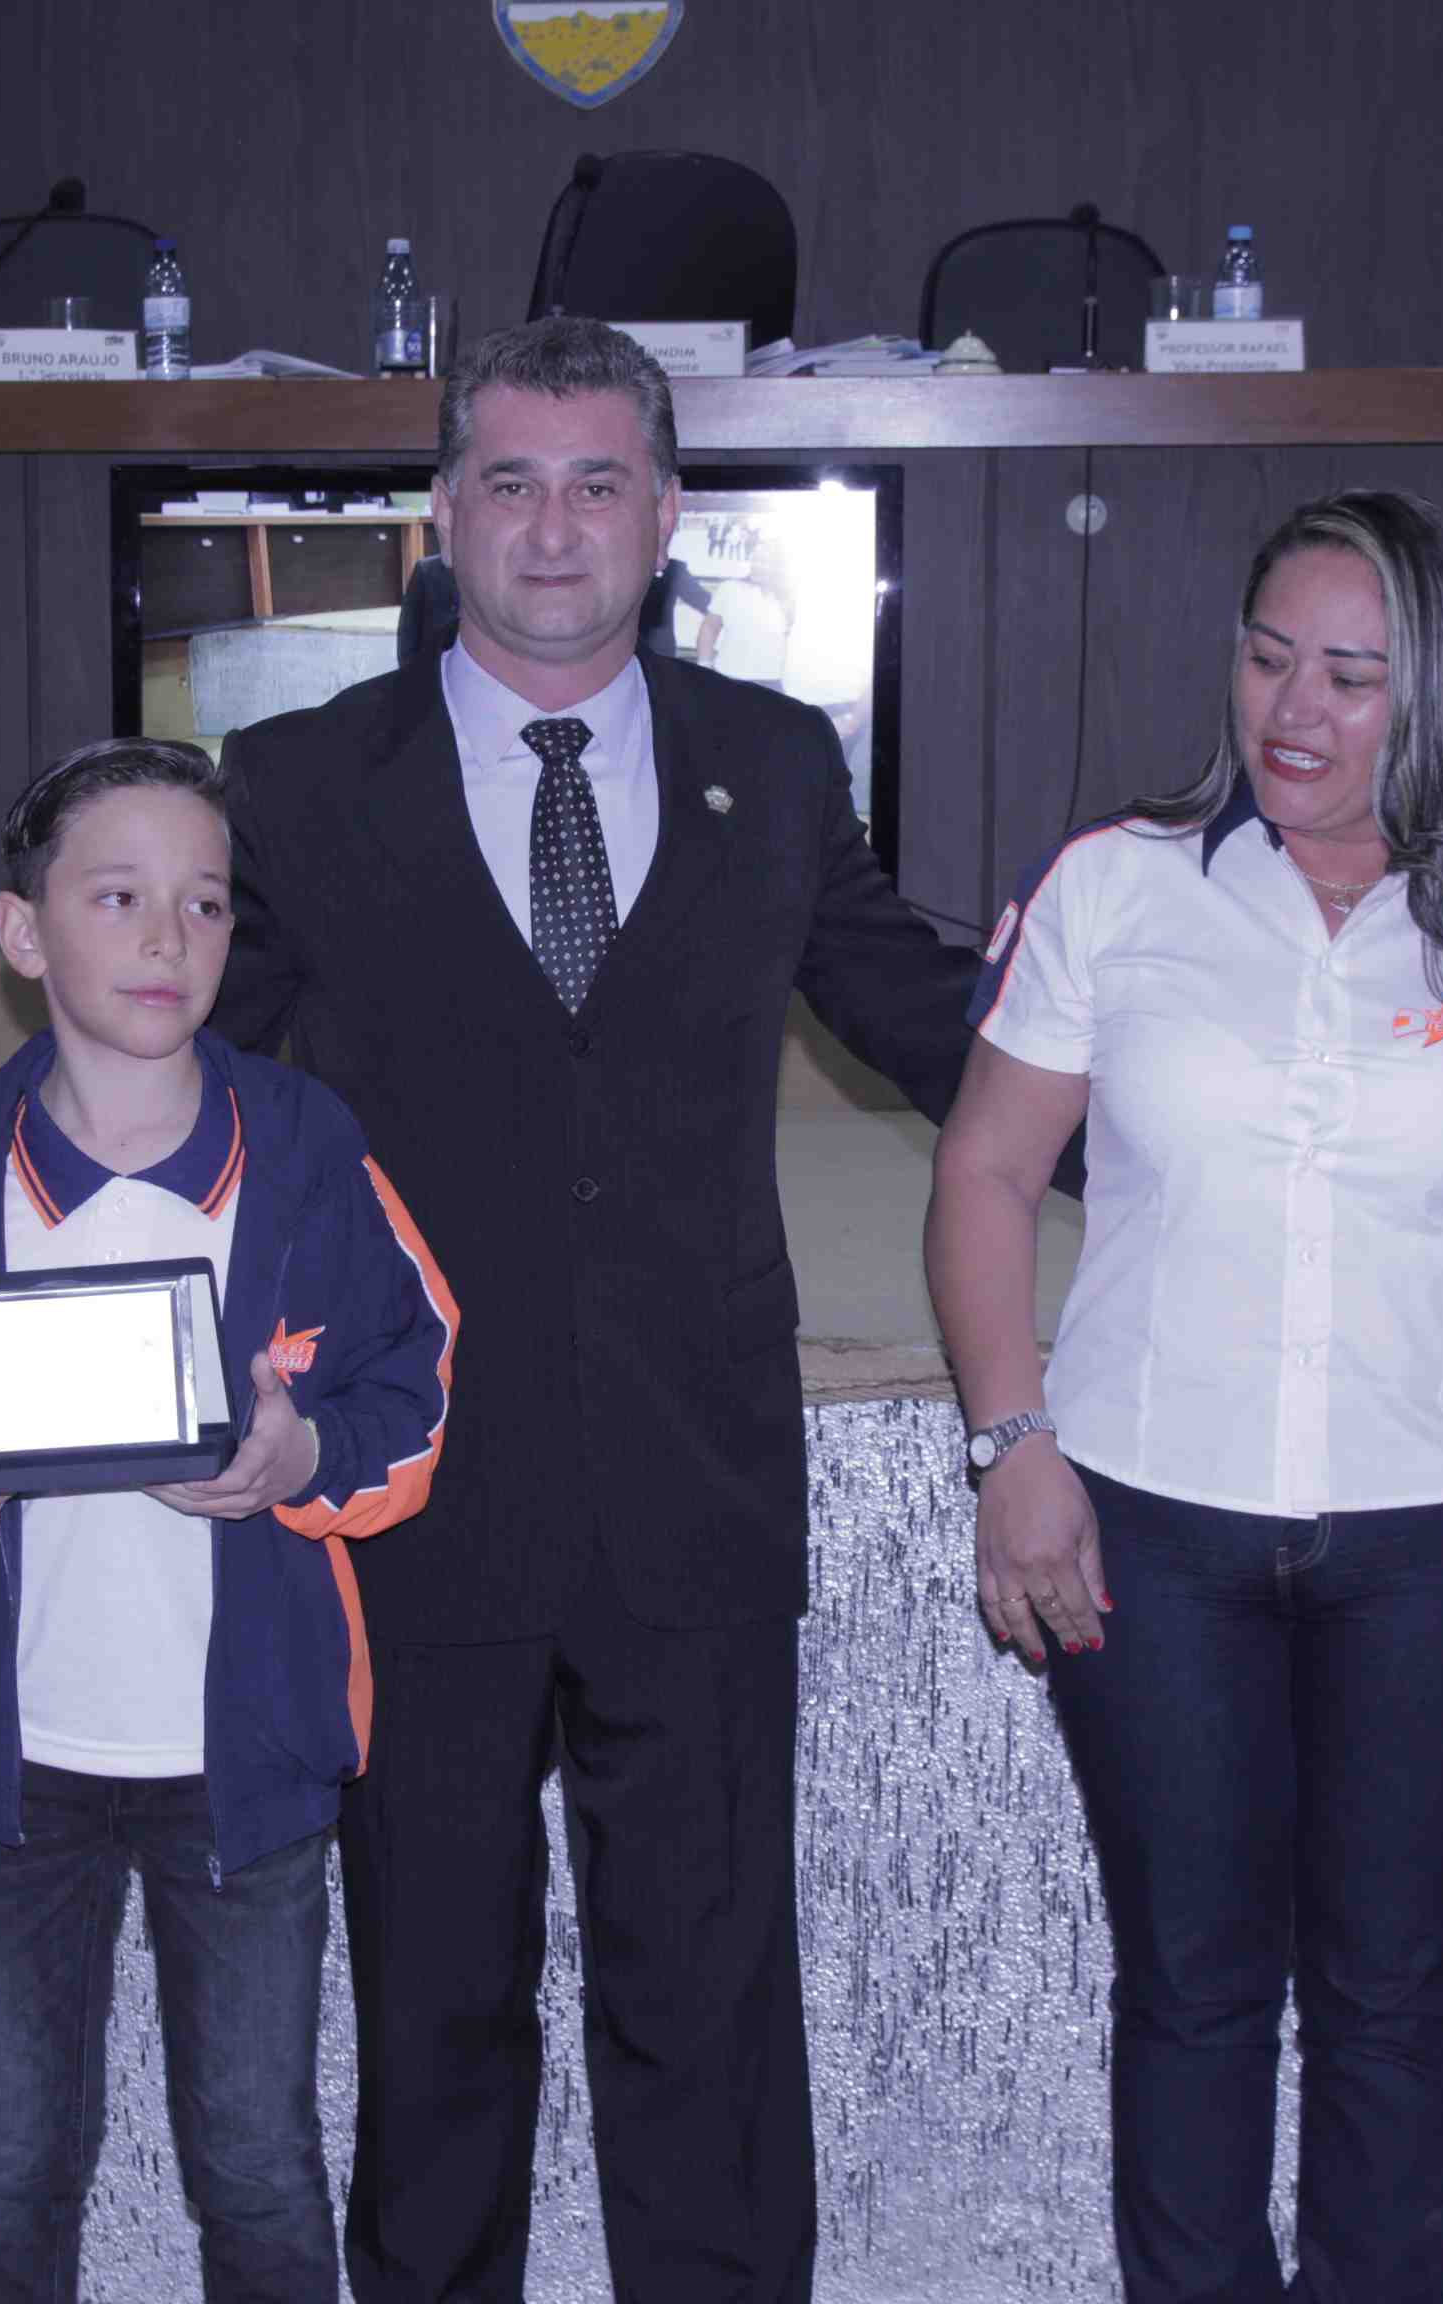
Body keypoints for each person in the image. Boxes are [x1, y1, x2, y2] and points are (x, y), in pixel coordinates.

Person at [214, 315, 987, 2304]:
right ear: (442, 510)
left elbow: (930, 1023)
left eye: (597, 484)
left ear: (664, 516)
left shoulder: (775, 764)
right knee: (431, 2023)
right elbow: (192, 1101)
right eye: (509, 482)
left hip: (689, 1494)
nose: (552, 529)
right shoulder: (296, 783)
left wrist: (1179, 1101)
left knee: (708, 2028)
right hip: (415, 1500)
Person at [925, 489, 1443, 2302]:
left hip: (1436, 1538)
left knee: (1393, 1996)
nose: (1294, 707)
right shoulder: (1115, 884)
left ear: (1439, 693)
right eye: (1268, 654)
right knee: (1194, 1984)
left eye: (1352, 675)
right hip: (1150, 1522)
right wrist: (1011, 1446)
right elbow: (985, 1173)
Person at [0, 738, 459, 2302]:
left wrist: (304, 1462)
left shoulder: (309, 1149)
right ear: (22, 933)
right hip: (9, 1759)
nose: (169, 938)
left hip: (248, 1756)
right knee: (13, 2161)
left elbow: (420, 1384)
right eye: (117, 898)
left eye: (205, 903)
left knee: (258, 2159)